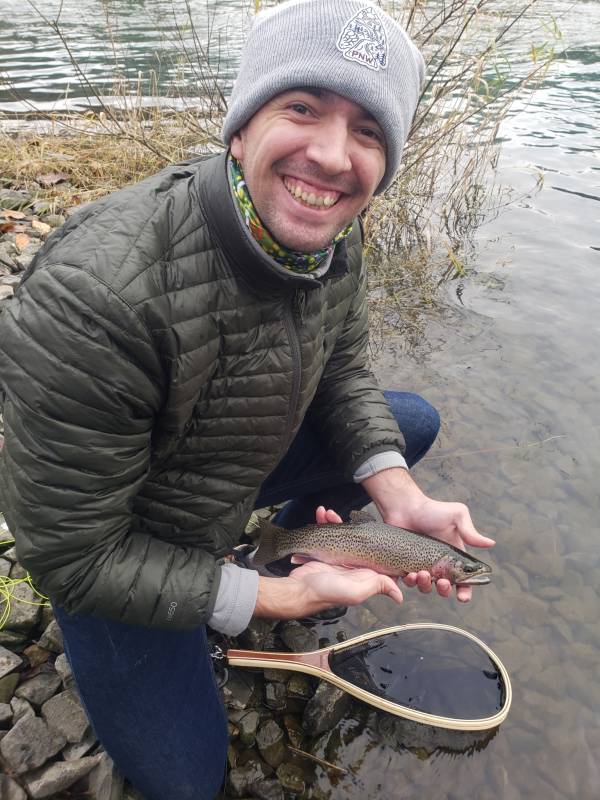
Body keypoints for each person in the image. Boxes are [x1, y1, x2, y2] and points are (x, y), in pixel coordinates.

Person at [0, 1, 494, 797]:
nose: (333, 156)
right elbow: (70, 554)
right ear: (240, 126)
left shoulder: (332, 229)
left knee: (408, 428)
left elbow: (342, 372)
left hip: (218, 474)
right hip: (115, 541)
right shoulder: (95, 295)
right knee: (189, 781)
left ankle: (292, 544)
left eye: (368, 130)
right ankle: (264, 571)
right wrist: (271, 597)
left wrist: (400, 500)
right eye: (303, 108)